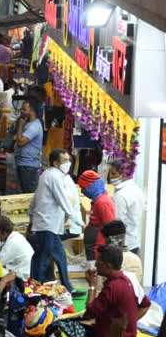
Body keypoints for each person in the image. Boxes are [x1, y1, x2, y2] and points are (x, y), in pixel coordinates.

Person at [28, 149, 82, 293]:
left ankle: (67, 287)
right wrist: (79, 222)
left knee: (60, 255)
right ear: (55, 162)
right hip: (47, 224)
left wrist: (30, 214)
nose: (68, 163)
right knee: (43, 258)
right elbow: (63, 201)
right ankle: (37, 289)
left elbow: (36, 197)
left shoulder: (48, 175)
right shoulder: (54, 177)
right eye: (64, 161)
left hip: (50, 224)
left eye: (68, 160)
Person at [83, 245, 151, 337]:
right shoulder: (130, 279)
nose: (95, 265)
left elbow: (90, 312)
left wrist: (92, 285)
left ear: (107, 265)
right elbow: (145, 305)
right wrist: (129, 323)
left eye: (98, 262)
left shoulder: (112, 287)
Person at [78, 170, 117, 264]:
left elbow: (110, 228)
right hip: (94, 250)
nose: (83, 191)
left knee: (97, 277)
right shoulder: (97, 201)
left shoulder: (103, 202)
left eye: (83, 188)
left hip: (99, 251)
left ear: (91, 186)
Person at [108, 160, 145, 254]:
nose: (110, 176)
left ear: (123, 176)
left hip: (122, 244)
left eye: (113, 174)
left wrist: (114, 249)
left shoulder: (121, 195)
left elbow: (117, 223)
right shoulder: (136, 189)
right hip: (134, 241)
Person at [96, 220, 143, 290]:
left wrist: (92, 287)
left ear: (109, 240)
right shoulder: (136, 259)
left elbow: (99, 289)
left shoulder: (105, 261)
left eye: (105, 239)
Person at [14, 99, 42, 193]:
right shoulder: (29, 124)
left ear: (32, 111)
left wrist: (20, 125)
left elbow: (20, 142)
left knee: (29, 194)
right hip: (23, 163)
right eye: (21, 109)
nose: (22, 112)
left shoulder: (34, 126)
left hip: (28, 165)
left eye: (24, 110)